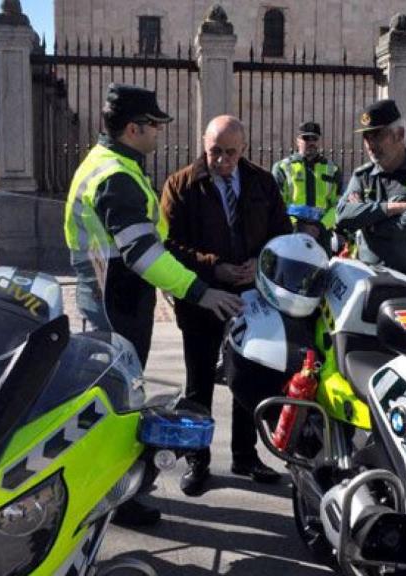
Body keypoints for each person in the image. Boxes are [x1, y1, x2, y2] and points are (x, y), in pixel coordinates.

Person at [63, 83, 243, 525]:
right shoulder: (116, 177)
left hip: (110, 296)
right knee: (118, 405)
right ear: (133, 128)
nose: (160, 133)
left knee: (110, 400)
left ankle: (107, 493)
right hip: (117, 301)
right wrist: (201, 291)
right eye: (155, 126)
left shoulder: (107, 162)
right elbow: (142, 253)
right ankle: (114, 499)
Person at [160, 115, 292, 496]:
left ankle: (245, 456)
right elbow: (169, 245)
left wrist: (259, 260)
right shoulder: (181, 185)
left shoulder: (262, 182)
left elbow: (281, 232)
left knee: (247, 379)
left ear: (243, 149)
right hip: (202, 298)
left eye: (230, 153)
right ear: (204, 145)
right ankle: (197, 460)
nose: (222, 160)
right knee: (199, 382)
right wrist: (213, 266)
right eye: (215, 151)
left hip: (251, 298)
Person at [335, 99, 406, 289]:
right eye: (366, 137)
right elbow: (342, 215)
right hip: (369, 278)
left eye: (377, 135)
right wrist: (389, 208)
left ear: (399, 134)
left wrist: (369, 223)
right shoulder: (363, 177)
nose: (370, 144)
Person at [272, 121, 342, 244]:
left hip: (321, 233)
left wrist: (321, 226)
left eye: (314, 138)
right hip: (291, 232)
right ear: (297, 141)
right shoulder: (282, 167)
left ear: (319, 141)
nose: (311, 142)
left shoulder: (333, 169)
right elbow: (276, 205)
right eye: (306, 138)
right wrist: (297, 226)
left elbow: (338, 205)